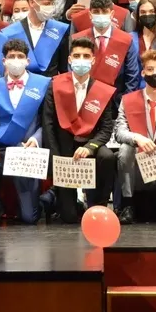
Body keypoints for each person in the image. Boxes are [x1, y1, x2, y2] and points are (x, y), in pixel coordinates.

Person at [41, 37, 117, 223]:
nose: (81, 60)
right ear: (69, 59)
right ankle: (63, 198)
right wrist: (55, 158)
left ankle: (99, 204)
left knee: (108, 157)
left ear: (93, 60)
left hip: (90, 148)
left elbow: (106, 128)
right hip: (64, 150)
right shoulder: (55, 85)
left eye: (86, 56)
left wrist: (90, 147)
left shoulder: (102, 90)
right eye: (76, 56)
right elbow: (48, 123)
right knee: (69, 218)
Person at [0, 39, 52, 225]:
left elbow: (47, 120)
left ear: (27, 61)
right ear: (4, 61)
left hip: (29, 151)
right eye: (11, 56)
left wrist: (37, 139)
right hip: (1, 149)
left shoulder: (43, 84)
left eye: (20, 56)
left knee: (29, 218)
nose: (16, 60)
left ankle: (45, 201)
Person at [114, 50, 156, 224]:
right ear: (143, 73)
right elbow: (119, 132)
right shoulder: (128, 100)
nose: (155, 74)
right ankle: (128, 205)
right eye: (150, 69)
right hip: (137, 165)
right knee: (125, 149)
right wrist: (137, 138)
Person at [71, 0, 141, 96]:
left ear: (112, 14)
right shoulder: (78, 39)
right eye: (96, 12)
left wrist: (124, 101)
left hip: (117, 98)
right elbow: (72, 71)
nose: (100, 15)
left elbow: (132, 75)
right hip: (86, 97)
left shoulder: (126, 40)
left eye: (104, 12)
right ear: (90, 14)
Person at [2, 0, 69, 77]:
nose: (50, 8)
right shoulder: (10, 32)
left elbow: (64, 69)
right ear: (32, 3)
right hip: (21, 83)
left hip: (50, 83)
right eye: (46, 4)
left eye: (52, 4)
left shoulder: (60, 29)